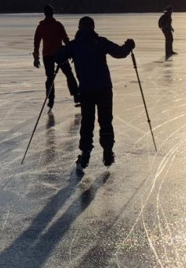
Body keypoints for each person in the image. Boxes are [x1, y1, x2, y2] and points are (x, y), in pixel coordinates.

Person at [53, 16, 134, 172]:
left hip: (86, 90)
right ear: (92, 27)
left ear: (79, 28)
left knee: (87, 122)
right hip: (104, 88)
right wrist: (129, 45)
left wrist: (62, 51)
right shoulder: (100, 42)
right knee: (105, 120)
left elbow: (58, 57)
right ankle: (108, 151)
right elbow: (120, 52)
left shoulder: (74, 45)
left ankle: (85, 154)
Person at [32, 4, 79, 108]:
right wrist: (71, 53)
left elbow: (36, 43)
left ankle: (51, 99)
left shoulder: (41, 26)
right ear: (52, 13)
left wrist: (36, 57)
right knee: (68, 74)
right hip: (60, 54)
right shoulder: (57, 25)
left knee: (50, 77)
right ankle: (76, 95)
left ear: (44, 13)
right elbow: (65, 39)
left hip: (48, 55)